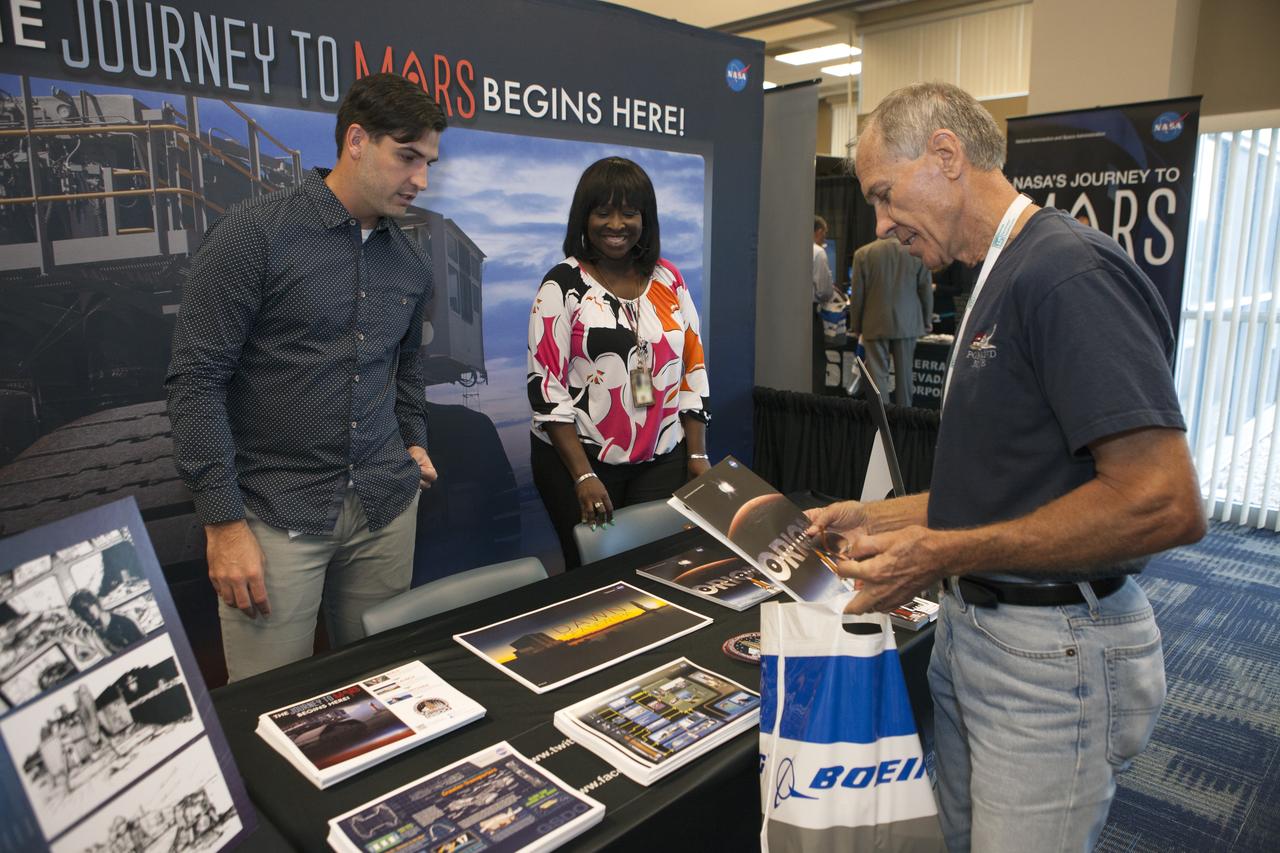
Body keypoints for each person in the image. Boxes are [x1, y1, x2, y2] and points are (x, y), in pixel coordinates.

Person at [806, 81, 1205, 852]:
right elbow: (1007, 482)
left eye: (886, 195)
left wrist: (942, 553)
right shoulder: (998, 272)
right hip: (981, 635)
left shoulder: (1066, 273)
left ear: (947, 156)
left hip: (1053, 659)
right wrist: (876, 517)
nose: (882, 224)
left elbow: (1164, 503)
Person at [165, 73, 447, 681]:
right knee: (269, 705)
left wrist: (414, 438)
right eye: (406, 157)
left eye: (428, 162)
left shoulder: (410, 261)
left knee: (388, 690)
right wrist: (222, 521)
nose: (420, 180)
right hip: (274, 516)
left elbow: (406, 371)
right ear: (355, 141)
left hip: (385, 509)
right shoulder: (254, 235)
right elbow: (196, 379)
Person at [528, 157, 710, 569]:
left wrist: (696, 455)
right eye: (603, 211)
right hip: (581, 460)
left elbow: (692, 370)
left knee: (656, 567)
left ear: (645, 218)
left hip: (661, 454)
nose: (616, 224)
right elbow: (547, 390)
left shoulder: (669, 280)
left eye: (629, 212)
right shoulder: (563, 284)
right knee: (595, 575)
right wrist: (582, 476)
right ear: (583, 217)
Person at [849, 236, 933, 406]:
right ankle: (904, 422)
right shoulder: (916, 253)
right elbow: (925, 289)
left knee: (877, 377)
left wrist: (856, 325)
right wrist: (927, 319)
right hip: (907, 323)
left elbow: (857, 295)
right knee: (904, 377)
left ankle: (882, 423)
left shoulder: (863, 254)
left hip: (874, 323)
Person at [68, 589, 143, 653]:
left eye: (85, 610)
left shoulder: (124, 622)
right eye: (80, 614)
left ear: (96, 604)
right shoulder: (96, 631)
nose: (84, 617)